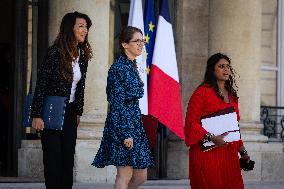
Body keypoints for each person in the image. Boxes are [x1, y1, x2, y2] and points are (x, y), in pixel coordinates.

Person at [31, 11, 92, 189]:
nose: (85, 30)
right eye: (81, 26)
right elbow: (41, 84)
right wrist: (36, 114)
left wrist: (78, 111)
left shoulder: (82, 56)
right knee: (53, 160)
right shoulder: (54, 53)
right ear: (69, 28)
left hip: (70, 113)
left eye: (86, 27)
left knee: (67, 159)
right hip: (51, 113)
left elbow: (81, 86)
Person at [92, 26, 153, 189]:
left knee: (141, 175)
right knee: (124, 173)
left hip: (135, 123)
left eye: (143, 41)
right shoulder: (118, 68)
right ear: (125, 44)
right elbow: (117, 103)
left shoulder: (132, 65)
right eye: (137, 41)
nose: (141, 44)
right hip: (122, 123)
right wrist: (126, 132)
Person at [184, 53, 250, 189]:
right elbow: (191, 123)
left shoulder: (232, 96)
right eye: (221, 66)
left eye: (228, 66)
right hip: (207, 153)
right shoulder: (201, 93)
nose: (226, 70)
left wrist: (242, 151)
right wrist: (212, 138)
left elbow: (234, 126)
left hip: (228, 153)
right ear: (212, 70)